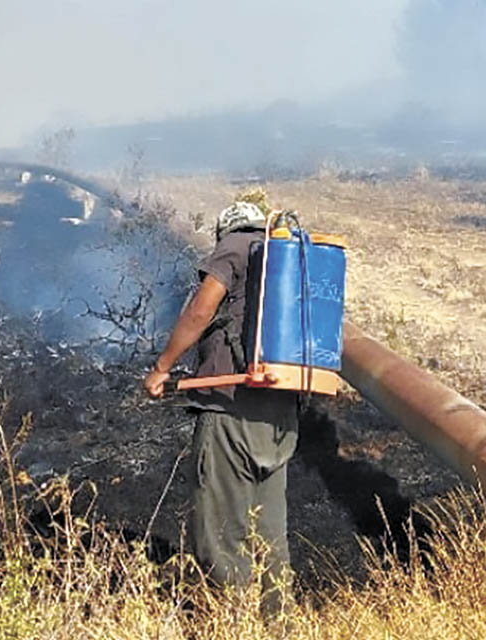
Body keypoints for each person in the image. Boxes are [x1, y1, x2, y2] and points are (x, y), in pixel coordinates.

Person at [143, 201, 297, 604]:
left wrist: (163, 367)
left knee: (219, 541)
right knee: (269, 541)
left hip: (230, 409)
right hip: (280, 418)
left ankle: (230, 624)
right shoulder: (286, 260)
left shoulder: (235, 246)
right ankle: (278, 627)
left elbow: (201, 308)